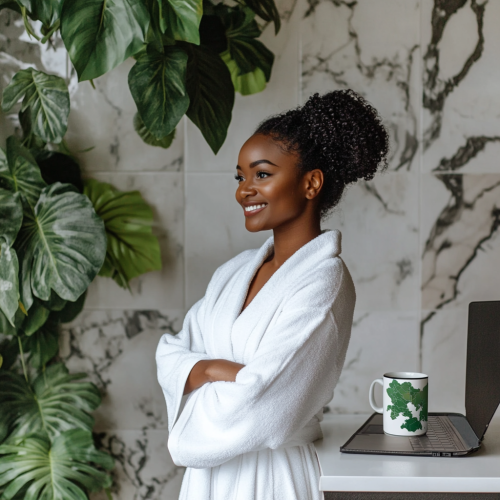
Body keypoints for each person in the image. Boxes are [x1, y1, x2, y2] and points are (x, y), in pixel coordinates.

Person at [156, 89, 389, 500]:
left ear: (311, 182)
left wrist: (205, 371)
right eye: (240, 176)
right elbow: (170, 355)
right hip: (206, 481)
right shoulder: (233, 273)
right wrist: (222, 371)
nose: (244, 190)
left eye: (262, 174)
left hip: (273, 480)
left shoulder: (324, 282)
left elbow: (266, 409)